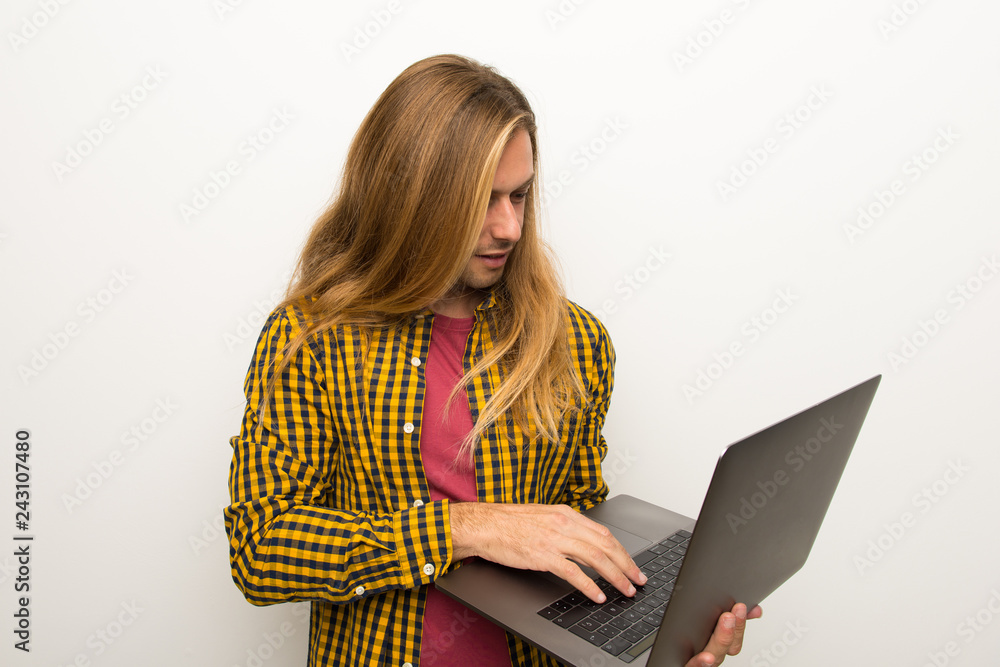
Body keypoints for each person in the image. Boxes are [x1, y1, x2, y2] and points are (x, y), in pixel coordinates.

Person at [225, 54, 760, 667]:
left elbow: (576, 538)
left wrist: (664, 649)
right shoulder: (312, 340)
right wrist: (466, 527)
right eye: (483, 199)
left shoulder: (576, 342)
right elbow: (261, 551)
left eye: (521, 195)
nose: (509, 226)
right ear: (408, 195)